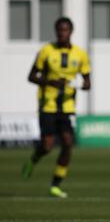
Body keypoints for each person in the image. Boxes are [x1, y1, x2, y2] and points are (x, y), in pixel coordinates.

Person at [21, 17, 91, 198]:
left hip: (67, 107)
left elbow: (87, 83)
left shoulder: (80, 54)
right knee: (47, 145)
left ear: (71, 31)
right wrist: (49, 81)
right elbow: (31, 76)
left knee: (68, 143)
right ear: (56, 31)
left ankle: (55, 185)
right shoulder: (46, 51)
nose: (62, 33)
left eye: (65, 30)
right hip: (48, 106)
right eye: (59, 30)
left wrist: (74, 84)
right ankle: (33, 159)